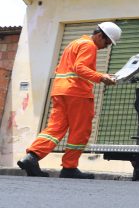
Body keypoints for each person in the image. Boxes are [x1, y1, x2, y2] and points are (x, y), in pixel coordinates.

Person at [18, 22, 120, 179]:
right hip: (77, 93)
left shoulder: (74, 43)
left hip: (60, 91)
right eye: (107, 42)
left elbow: (67, 68)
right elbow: (80, 68)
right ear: (99, 36)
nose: (106, 47)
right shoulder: (89, 45)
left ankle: (32, 157)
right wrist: (101, 77)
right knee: (81, 130)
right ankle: (69, 168)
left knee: (55, 128)